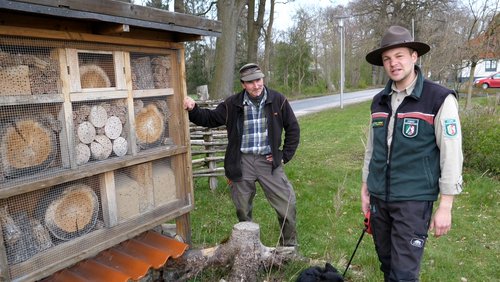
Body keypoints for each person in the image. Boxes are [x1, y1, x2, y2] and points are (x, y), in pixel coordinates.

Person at [360, 25, 463, 281]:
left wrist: (446, 206)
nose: (393, 63)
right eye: (387, 59)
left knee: (404, 274)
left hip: (413, 202)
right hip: (379, 199)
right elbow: (372, 149)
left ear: (414, 57)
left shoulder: (439, 99)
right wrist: (365, 186)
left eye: (399, 56)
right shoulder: (379, 101)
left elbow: (452, 153)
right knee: (387, 265)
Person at [184, 63, 300, 249]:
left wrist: (284, 155)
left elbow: (293, 129)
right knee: (243, 209)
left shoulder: (278, 100)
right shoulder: (233, 104)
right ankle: (248, 248)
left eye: (259, 80)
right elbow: (210, 119)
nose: (256, 85)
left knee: (287, 204)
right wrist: (193, 108)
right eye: (251, 82)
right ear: (243, 84)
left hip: (268, 161)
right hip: (242, 161)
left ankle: (288, 247)